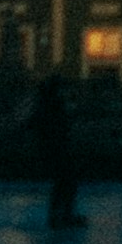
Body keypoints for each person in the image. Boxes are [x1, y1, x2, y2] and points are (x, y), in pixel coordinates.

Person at [26, 71, 81, 230]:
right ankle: (60, 215)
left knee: (65, 183)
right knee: (65, 182)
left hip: (54, 149)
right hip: (55, 150)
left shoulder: (49, 104)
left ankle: (61, 215)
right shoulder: (52, 106)